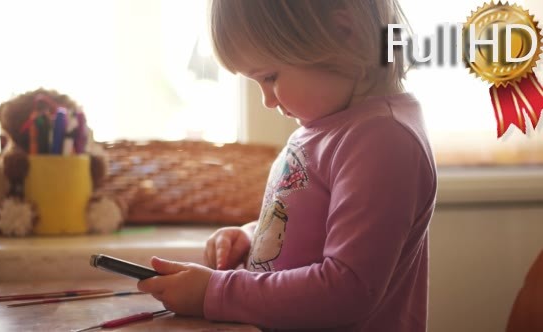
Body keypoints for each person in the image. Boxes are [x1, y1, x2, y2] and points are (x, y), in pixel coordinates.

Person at [137, 1, 437, 331]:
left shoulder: (383, 140)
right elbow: (308, 226)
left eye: (270, 76)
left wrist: (215, 291)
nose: (267, 100)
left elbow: (346, 289)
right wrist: (252, 237)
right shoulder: (329, 126)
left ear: (344, 33)